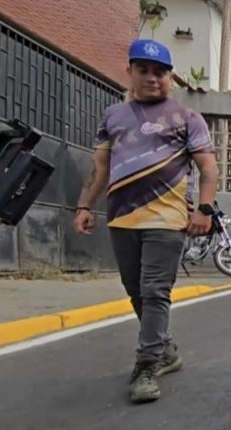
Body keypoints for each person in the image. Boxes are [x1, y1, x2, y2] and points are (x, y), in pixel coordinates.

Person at [73, 39, 219, 403]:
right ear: (131, 72)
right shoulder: (113, 117)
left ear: (171, 77)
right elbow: (99, 167)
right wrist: (84, 206)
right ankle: (165, 348)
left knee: (155, 290)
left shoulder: (188, 119)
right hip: (122, 218)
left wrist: (204, 209)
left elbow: (208, 167)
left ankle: (146, 366)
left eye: (160, 72)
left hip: (167, 221)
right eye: (144, 70)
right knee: (135, 289)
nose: (152, 78)